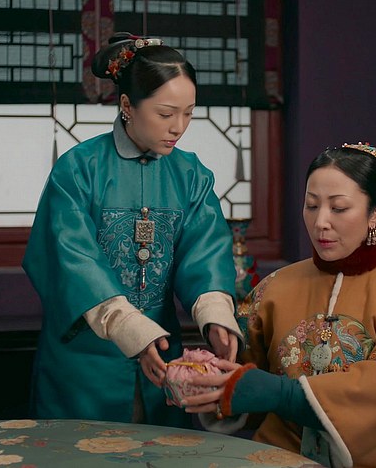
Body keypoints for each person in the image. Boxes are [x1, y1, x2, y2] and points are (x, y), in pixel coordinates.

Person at [23, 32, 243, 428]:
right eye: (165, 114)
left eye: (188, 113)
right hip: (84, 368)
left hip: (164, 359)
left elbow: (205, 252)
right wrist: (128, 327)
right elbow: (71, 260)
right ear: (127, 105)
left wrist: (215, 317)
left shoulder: (191, 175)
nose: (179, 127)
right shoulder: (79, 169)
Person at [183, 143, 376, 467]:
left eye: (338, 208)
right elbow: (244, 382)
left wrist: (285, 394)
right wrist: (210, 381)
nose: (321, 222)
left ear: (375, 213)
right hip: (277, 459)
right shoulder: (272, 288)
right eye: (311, 205)